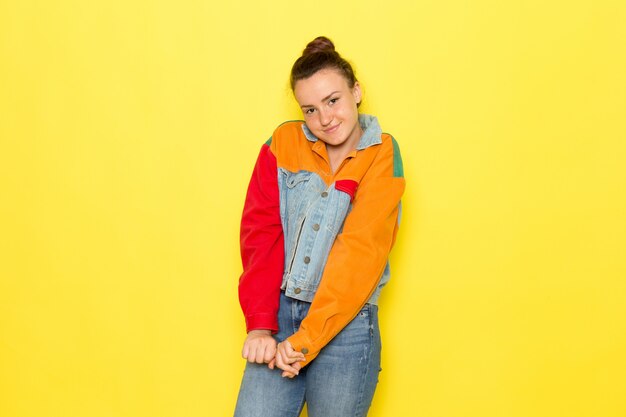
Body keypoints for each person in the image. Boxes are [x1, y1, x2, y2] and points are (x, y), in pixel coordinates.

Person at [234, 36, 405, 417]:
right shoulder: (283, 142)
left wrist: (305, 340)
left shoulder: (382, 155)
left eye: (333, 101)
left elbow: (360, 253)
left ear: (356, 91)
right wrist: (262, 325)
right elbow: (261, 234)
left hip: (347, 325)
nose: (324, 119)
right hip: (279, 315)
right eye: (309, 109)